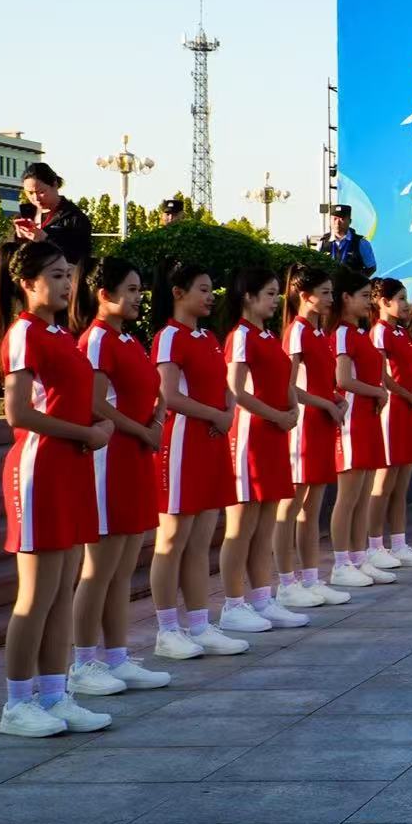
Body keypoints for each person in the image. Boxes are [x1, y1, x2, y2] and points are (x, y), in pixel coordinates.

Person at [0, 239, 114, 737]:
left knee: (62, 590)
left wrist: (97, 426)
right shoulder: (23, 332)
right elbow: (18, 413)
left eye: (68, 275)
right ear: (28, 283)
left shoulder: (61, 333)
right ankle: (17, 704)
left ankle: (54, 694)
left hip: (71, 466)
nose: (67, 284)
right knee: (36, 594)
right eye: (57, 275)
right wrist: (86, 431)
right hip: (39, 469)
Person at [69, 257, 172, 697]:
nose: (138, 297)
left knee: (123, 568)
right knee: (99, 569)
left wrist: (157, 418)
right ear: (103, 294)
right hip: (109, 460)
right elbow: (94, 404)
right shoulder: (96, 339)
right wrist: (142, 430)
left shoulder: (128, 339)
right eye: (130, 289)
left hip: (136, 458)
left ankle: (116, 657)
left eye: (139, 289)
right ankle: (82, 663)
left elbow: (147, 393)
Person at [148, 262, 247, 661]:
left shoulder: (207, 337)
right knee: (173, 539)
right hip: (183, 444)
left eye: (212, 289)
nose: (210, 296)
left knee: (202, 540)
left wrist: (228, 407)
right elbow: (169, 395)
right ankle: (167, 630)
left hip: (211, 444)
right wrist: (216, 415)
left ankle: (200, 625)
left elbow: (223, 386)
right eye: (203, 289)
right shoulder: (170, 337)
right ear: (178, 292)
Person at [219, 268, 305, 634]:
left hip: (274, 436)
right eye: (269, 293)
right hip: (250, 438)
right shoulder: (240, 335)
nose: (276, 300)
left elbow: (284, 381)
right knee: (242, 526)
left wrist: (292, 408)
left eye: (276, 293)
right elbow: (236, 391)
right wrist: (277, 416)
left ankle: (261, 599)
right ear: (248, 297)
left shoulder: (268, 336)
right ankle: (232, 604)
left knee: (266, 522)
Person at [281, 267, 349, 607]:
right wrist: (325, 403)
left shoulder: (319, 332)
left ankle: (310, 578)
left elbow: (321, 381)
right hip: (303, 426)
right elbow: (288, 386)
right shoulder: (296, 331)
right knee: (291, 508)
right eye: (325, 292)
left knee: (313, 507)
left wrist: (336, 398)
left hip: (322, 423)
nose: (331, 298)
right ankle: (285, 582)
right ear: (305, 296)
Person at [330, 276, 397, 588]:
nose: (369, 302)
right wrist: (377, 391)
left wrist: (378, 392)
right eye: (364, 296)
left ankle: (360, 558)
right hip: (353, 420)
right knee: (348, 497)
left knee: (362, 494)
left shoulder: (360, 333)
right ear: (346, 297)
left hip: (369, 419)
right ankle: (341, 563)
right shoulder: (342, 333)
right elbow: (343, 380)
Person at [368, 278, 412, 567]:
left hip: (408, 407)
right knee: (384, 482)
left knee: (402, 482)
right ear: (383, 302)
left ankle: (398, 543)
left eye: (406, 298)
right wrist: (408, 395)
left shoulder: (400, 332)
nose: (407, 304)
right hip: (392, 410)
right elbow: (381, 375)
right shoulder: (379, 332)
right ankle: (374, 546)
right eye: (401, 298)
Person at [13, 163, 92, 269]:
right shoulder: (24, 215)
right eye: (30, 193)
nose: (36, 198)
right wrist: (18, 238)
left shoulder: (75, 218)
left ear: (55, 185)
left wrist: (45, 239)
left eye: (41, 192)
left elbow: (81, 259)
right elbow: (8, 256)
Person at [319, 205, 376, 278]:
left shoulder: (360, 242)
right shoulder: (323, 242)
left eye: (342, 219)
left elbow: (371, 268)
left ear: (350, 221)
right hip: (329, 284)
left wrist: (358, 282)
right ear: (330, 220)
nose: (337, 223)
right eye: (334, 219)